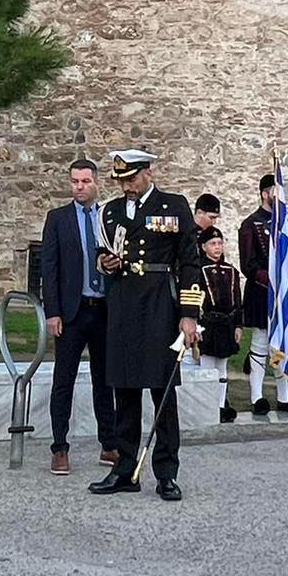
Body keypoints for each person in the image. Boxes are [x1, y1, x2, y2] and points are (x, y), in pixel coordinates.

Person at [89, 148, 203, 501]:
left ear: (148, 173)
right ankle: (124, 468)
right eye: (122, 181)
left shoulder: (173, 206)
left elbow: (189, 262)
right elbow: (101, 255)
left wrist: (189, 314)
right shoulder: (110, 211)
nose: (127, 186)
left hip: (159, 304)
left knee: (162, 392)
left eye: (132, 178)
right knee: (123, 389)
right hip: (123, 304)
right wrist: (105, 263)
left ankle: (166, 472)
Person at [39, 158, 121, 474]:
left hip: (103, 309)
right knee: (64, 380)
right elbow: (50, 268)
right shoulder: (58, 219)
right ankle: (59, 446)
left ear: (95, 182)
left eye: (85, 181)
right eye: (74, 181)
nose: (79, 187)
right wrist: (53, 311)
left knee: (105, 380)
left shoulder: (109, 217)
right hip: (72, 313)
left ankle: (109, 444)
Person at [237, 174, 288, 416]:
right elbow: (248, 263)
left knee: (282, 343)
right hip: (262, 292)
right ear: (265, 193)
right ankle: (257, 396)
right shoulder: (250, 224)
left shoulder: (285, 225)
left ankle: (285, 397)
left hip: (284, 294)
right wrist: (272, 281)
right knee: (261, 343)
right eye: (275, 192)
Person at [195, 227, 243, 422]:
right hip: (208, 324)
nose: (217, 247)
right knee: (207, 367)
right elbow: (194, 300)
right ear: (203, 247)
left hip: (226, 325)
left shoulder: (231, 271)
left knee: (222, 368)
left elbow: (237, 301)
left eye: (220, 243)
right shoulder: (198, 271)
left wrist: (238, 325)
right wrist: (197, 326)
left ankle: (222, 404)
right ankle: (208, 406)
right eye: (213, 244)